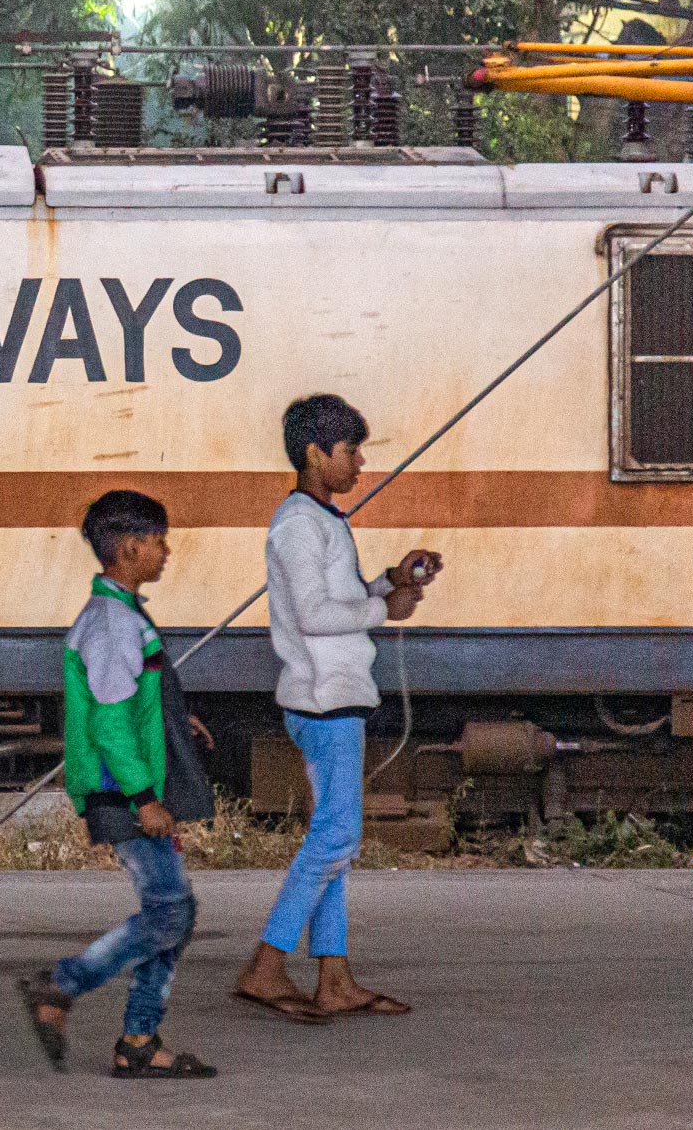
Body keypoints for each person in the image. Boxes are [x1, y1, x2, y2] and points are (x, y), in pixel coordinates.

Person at [234, 394, 442, 1024]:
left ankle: (335, 977)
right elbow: (312, 615)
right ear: (314, 452)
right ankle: (266, 965)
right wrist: (385, 610)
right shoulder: (298, 524)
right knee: (338, 836)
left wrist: (387, 581)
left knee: (334, 844)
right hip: (324, 702)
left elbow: (337, 596)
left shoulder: (320, 519)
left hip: (334, 697)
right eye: (350, 450)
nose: (360, 463)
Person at [19, 490, 218, 1078]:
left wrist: (172, 721)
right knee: (170, 913)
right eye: (158, 540)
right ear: (130, 547)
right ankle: (60, 986)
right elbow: (107, 722)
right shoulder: (111, 623)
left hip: (129, 786)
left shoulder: (121, 614)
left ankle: (138, 1041)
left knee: (172, 913)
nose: (166, 551)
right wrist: (144, 798)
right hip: (122, 792)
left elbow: (132, 699)